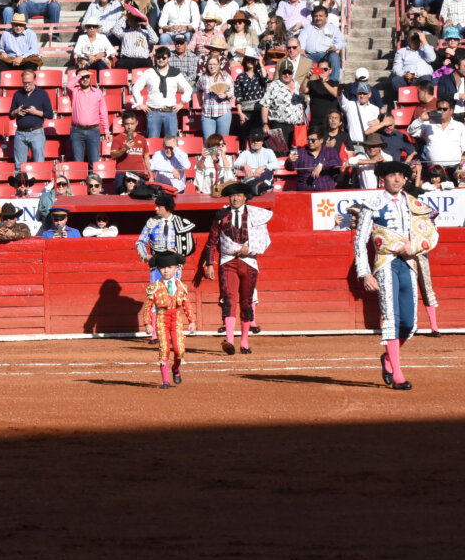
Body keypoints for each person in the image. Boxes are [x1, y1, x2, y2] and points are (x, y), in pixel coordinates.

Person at [354, 162, 439, 391]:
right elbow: (360, 241)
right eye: (393, 175)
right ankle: (398, 374)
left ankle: (389, 359)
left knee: (409, 323)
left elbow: (428, 231)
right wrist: (364, 273)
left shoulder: (414, 204)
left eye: (401, 175)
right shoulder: (371, 204)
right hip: (385, 264)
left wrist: (416, 245)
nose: (398, 179)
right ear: (383, 178)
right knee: (391, 317)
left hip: (409, 264)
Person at [203, 182, 272, 354]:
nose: (235, 198)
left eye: (239, 195)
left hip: (248, 261)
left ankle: (245, 342)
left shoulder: (255, 215)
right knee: (229, 299)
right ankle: (229, 341)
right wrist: (210, 262)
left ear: (245, 197)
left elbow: (264, 240)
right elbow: (212, 241)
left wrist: (250, 249)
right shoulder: (221, 215)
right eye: (232, 195)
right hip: (228, 262)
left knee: (246, 302)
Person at [139, 251, 195, 388]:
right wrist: (147, 323)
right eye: (163, 268)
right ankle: (165, 380)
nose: (166, 270)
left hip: (176, 319)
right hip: (161, 319)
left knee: (179, 350)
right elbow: (148, 306)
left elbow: (186, 304)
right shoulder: (155, 287)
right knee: (164, 349)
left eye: (170, 267)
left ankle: (175, 369)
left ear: (176, 268)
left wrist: (192, 321)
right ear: (158, 269)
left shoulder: (181, 286)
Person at [133, 47, 193, 137]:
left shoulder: (175, 73)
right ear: (155, 58)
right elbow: (136, 88)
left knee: (171, 142)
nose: (161, 60)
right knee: (152, 141)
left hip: (170, 112)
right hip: (153, 112)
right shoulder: (149, 72)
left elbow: (188, 88)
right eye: (158, 57)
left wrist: (182, 103)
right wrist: (140, 103)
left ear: (169, 59)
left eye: (164, 58)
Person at [7, 66, 54, 166]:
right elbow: (10, 115)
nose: (27, 85)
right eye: (25, 83)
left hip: (36, 132)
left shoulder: (42, 94)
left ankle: (38, 182)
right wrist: (16, 111)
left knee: (38, 165)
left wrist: (35, 112)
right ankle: (21, 181)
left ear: (35, 80)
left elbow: (50, 114)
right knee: (19, 166)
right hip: (20, 133)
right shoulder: (17, 94)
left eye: (30, 83)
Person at [289, 125, 342, 191]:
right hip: (305, 193)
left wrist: (322, 164)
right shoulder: (301, 152)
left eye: (313, 140)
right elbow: (290, 168)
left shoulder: (330, 151)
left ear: (321, 140)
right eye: (308, 140)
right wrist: (289, 161)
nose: (310, 142)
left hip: (325, 193)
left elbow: (338, 162)